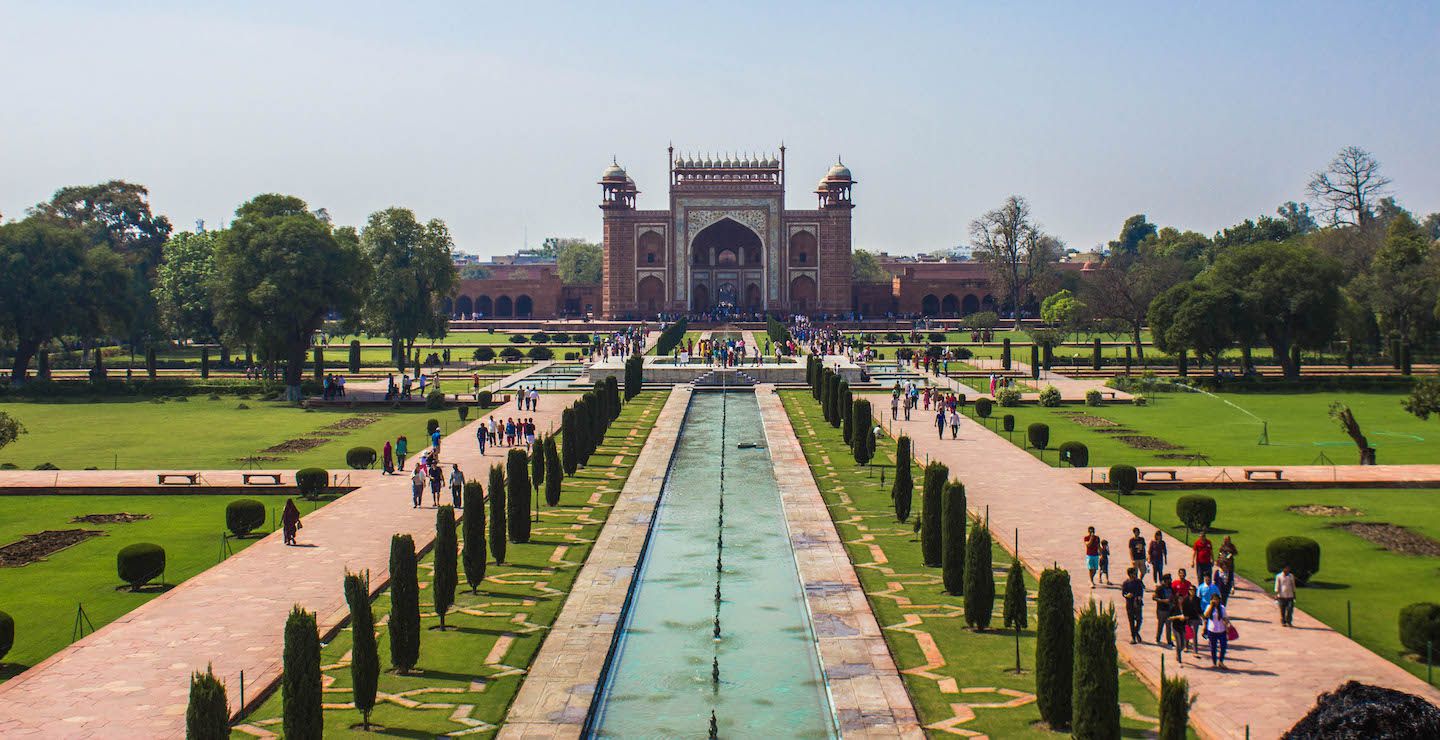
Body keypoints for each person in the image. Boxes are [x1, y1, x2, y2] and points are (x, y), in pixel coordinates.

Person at [1203, 594, 1229, 668]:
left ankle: (1221, 661)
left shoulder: (1222, 608)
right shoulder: (1209, 607)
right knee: (1213, 647)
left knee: (1223, 646)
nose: (1215, 601)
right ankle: (1214, 662)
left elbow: (1225, 617)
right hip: (1212, 630)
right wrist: (1211, 606)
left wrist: (1227, 623)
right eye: (1214, 599)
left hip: (1221, 630)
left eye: (1217, 599)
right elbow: (1205, 615)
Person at [1121, 567, 1145, 644]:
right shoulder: (1126, 583)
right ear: (1130, 574)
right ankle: (1133, 637)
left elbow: (1141, 591)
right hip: (1130, 603)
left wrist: (1140, 597)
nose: (1135, 575)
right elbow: (1123, 593)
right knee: (1131, 621)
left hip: (1137, 603)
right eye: (1134, 573)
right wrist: (1127, 595)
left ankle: (1135, 632)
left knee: (1139, 620)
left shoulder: (1138, 582)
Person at [1153, 574, 1175, 646]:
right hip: (1161, 610)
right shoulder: (1159, 588)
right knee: (1160, 625)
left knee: (1169, 626)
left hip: (1169, 609)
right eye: (1169, 579)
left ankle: (1169, 641)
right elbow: (1154, 598)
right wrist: (1163, 601)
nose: (1170, 581)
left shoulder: (1171, 588)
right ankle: (1158, 638)